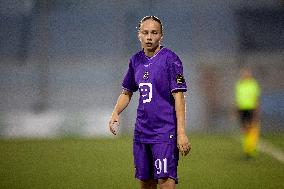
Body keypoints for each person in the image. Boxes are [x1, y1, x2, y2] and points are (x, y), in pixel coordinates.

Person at [108, 16, 191, 189]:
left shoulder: (171, 60)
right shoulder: (135, 61)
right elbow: (127, 92)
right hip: (142, 132)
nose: (149, 37)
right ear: (139, 35)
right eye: (145, 32)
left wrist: (181, 133)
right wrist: (116, 112)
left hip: (165, 132)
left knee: (166, 182)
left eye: (154, 33)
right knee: (146, 183)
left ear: (161, 35)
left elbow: (179, 98)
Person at [235, 67, 261, 158]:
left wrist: (257, 110)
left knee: (251, 128)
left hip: (251, 108)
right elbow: (237, 98)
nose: (245, 75)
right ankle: (247, 149)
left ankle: (250, 148)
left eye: (247, 73)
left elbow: (256, 98)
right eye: (244, 73)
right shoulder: (239, 84)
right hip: (242, 109)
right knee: (244, 129)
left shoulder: (253, 84)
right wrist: (236, 110)